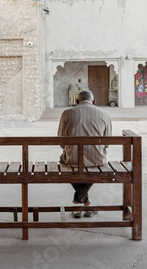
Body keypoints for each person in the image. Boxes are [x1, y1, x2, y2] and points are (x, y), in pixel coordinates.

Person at [57, 90, 112, 218]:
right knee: (92, 166)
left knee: (64, 160)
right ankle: (85, 201)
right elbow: (107, 143)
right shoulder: (105, 114)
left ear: (77, 102)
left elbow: (61, 141)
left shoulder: (66, 113)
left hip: (72, 159)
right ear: (94, 102)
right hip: (97, 159)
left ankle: (79, 200)